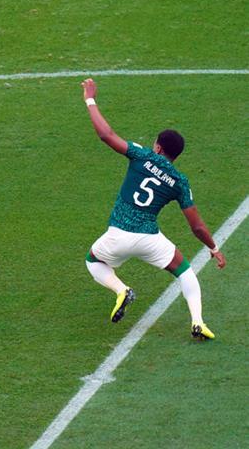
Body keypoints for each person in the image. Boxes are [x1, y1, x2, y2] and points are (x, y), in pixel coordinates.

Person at [81, 78, 226, 340]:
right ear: (176, 156)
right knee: (185, 272)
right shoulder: (180, 182)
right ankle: (197, 322)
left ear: (157, 147)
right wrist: (214, 249)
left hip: (117, 235)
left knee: (93, 261)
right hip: (149, 238)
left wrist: (90, 99)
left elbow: (106, 135)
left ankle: (121, 290)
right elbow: (196, 226)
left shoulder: (142, 155)